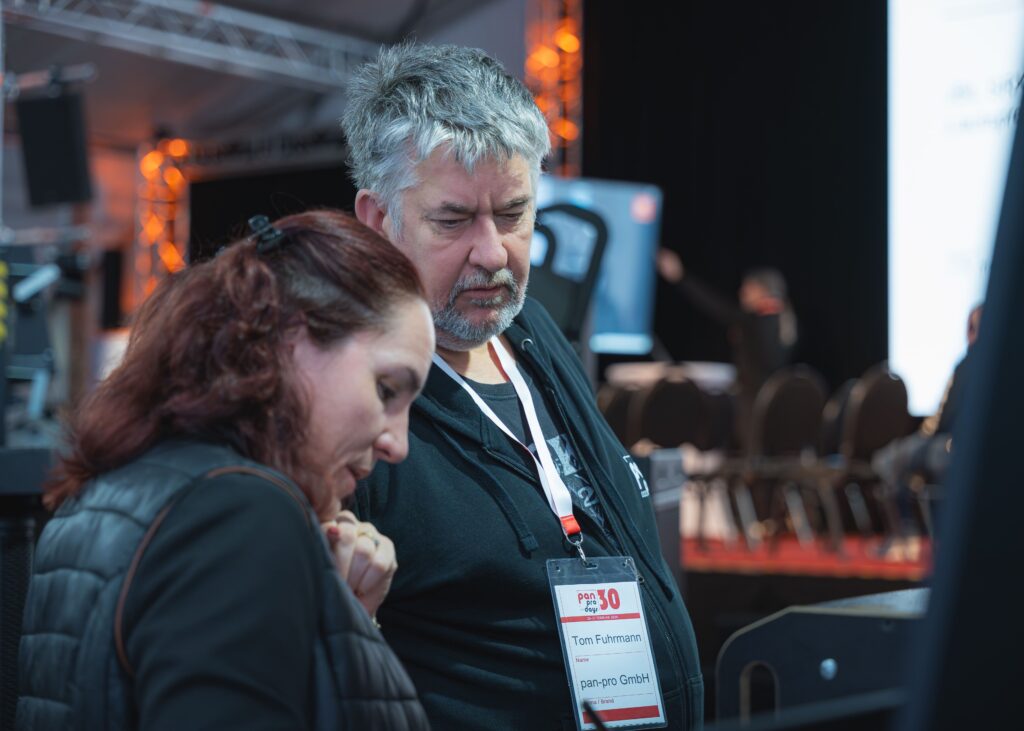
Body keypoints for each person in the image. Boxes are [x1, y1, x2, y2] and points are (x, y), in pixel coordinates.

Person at [344, 43, 703, 730]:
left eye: (512, 214)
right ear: (378, 220)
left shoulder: (533, 332)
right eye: (453, 220)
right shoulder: (358, 400)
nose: (492, 253)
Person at [16, 211, 435, 730]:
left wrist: (341, 614)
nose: (398, 444)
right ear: (291, 339)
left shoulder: (102, 496)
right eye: (387, 390)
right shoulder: (241, 512)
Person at [872, 303, 983, 557]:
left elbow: (946, 417)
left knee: (887, 459)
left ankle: (906, 534)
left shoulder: (970, 364)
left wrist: (924, 439)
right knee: (896, 459)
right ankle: (906, 534)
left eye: (973, 328)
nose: (969, 334)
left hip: (948, 446)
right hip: (950, 445)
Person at [656, 248, 797, 446]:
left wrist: (681, 277)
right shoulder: (782, 320)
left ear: (762, 291)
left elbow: (714, 306)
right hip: (773, 407)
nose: (741, 293)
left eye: (747, 289)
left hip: (751, 406)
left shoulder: (754, 320)